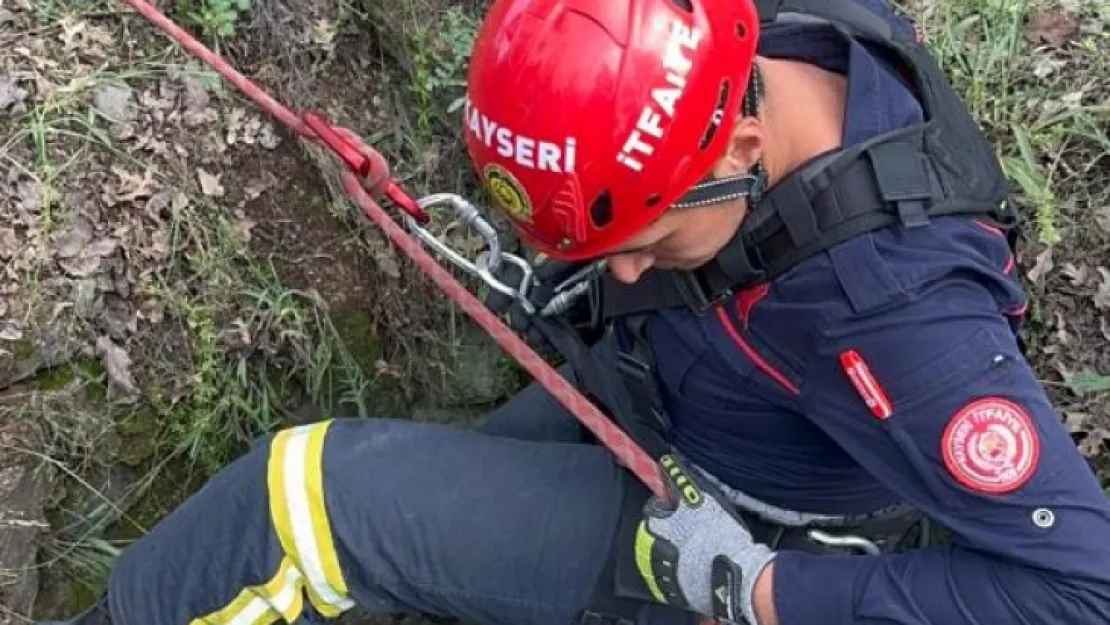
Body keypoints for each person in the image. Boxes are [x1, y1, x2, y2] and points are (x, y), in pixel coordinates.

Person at [41, 0, 1110, 624]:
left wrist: (763, 588)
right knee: (437, 497)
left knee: (310, 499)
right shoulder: (726, 37)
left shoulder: (898, 318)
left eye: (645, 241)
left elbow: (1077, 587)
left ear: (741, 152)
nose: (628, 271)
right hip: (668, 387)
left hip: (718, 523)